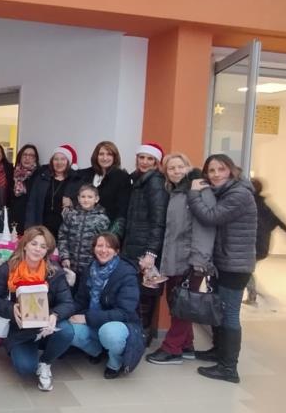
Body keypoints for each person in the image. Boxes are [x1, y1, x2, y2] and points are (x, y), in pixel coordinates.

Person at [188, 154, 257, 383]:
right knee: (218, 308)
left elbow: (211, 217)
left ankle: (229, 368)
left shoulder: (239, 194)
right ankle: (218, 352)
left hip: (235, 265)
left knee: (229, 314)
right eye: (211, 170)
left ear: (231, 170)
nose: (216, 174)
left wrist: (194, 194)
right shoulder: (226, 192)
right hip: (225, 262)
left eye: (221, 169)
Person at [0, 226, 75, 391]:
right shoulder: (8, 268)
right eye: (34, 244)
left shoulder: (54, 272)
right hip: (20, 329)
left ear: (47, 250)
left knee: (67, 331)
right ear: (25, 245)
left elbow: (68, 303)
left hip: (46, 326)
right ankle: (28, 351)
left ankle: (45, 362)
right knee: (25, 369)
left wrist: (55, 314)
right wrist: (12, 309)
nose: (38, 249)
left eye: (43, 246)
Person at [146, 153, 215, 365]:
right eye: (171, 168)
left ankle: (172, 349)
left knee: (181, 305)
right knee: (180, 302)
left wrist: (199, 261)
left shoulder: (199, 190)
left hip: (190, 260)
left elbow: (206, 227)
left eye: (179, 167)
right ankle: (186, 345)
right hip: (174, 258)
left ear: (188, 167)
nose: (176, 171)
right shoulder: (176, 192)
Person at [69, 233, 144, 378]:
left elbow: (124, 313)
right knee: (68, 329)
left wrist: (87, 318)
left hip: (120, 324)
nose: (103, 250)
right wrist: (59, 313)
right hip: (94, 320)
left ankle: (114, 363)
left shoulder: (127, 273)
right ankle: (97, 351)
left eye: (109, 247)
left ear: (117, 251)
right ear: (94, 248)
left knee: (109, 332)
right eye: (100, 245)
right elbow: (80, 301)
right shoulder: (90, 269)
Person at [121, 143, 169, 345]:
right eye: (142, 157)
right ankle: (137, 333)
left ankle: (142, 335)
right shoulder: (138, 180)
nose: (145, 162)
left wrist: (151, 252)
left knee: (145, 293)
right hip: (133, 244)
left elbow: (158, 220)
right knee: (135, 292)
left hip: (144, 248)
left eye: (150, 159)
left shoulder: (155, 182)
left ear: (157, 162)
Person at [245, 177, 286, 306]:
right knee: (247, 270)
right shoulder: (264, 206)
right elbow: (279, 221)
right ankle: (253, 294)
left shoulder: (249, 204)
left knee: (245, 271)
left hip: (254, 246)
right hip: (263, 246)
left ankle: (253, 295)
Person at [72, 141, 131, 238]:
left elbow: (122, 210)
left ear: (115, 157)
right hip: (83, 231)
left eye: (109, 154)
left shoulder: (121, 177)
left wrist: (111, 235)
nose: (105, 158)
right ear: (96, 156)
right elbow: (69, 179)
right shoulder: (85, 174)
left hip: (107, 231)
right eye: (101, 154)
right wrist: (67, 196)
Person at [58, 185, 110, 285]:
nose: (86, 200)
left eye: (90, 197)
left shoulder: (102, 219)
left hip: (90, 267)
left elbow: (104, 244)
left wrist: (98, 262)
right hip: (70, 265)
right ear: (78, 198)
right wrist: (65, 257)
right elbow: (62, 237)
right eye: (83, 197)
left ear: (96, 199)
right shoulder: (71, 215)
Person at [25, 145, 77, 238]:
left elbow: (84, 202)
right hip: (42, 228)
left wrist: (72, 202)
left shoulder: (76, 180)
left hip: (65, 232)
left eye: (63, 159)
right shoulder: (41, 178)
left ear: (68, 162)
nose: (59, 162)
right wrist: (29, 228)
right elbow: (32, 204)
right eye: (56, 159)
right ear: (51, 162)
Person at [10, 144, 39, 234]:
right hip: (13, 218)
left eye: (31, 156)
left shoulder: (39, 175)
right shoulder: (13, 173)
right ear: (20, 156)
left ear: (35, 159)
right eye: (25, 155)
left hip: (30, 220)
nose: (27, 158)